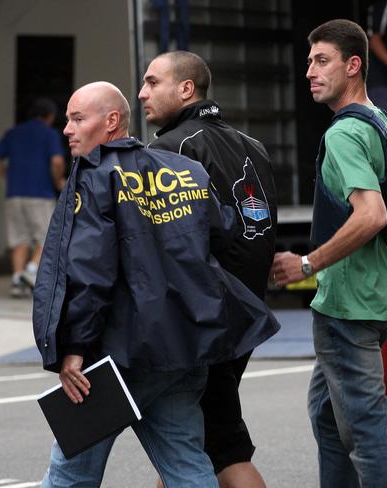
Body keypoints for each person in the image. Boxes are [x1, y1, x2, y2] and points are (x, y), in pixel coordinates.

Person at [32, 82, 280, 488]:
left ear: (111, 121)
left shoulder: (95, 177)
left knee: (71, 468)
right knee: (185, 462)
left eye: (78, 119)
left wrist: (74, 347)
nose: (67, 130)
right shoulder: (185, 170)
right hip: (185, 347)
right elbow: (226, 232)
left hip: (122, 350)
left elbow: (89, 271)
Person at [271, 19, 387, 487]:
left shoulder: (343, 134)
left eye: (322, 61)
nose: (309, 72)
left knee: (366, 433)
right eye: (309, 62)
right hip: (379, 302)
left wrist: (307, 263)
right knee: (327, 418)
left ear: (353, 65)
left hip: (348, 309)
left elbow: (372, 215)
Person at [139, 50, 277, 488]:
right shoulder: (252, 146)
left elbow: (165, 247)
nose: (142, 93)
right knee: (190, 444)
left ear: (186, 89)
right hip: (245, 316)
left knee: (221, 446)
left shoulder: (169, 148)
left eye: (152, 82)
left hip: (203, 324)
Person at [0, 98, 66, 297]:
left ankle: (16, 280)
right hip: (40, 193)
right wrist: (58, 181)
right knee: (46, 236)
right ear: (50, 117)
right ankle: (31, 271)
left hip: (14, 194)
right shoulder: (49, 134)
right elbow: (57, 161)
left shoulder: (14, 132)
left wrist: (5, 173)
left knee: (18, 238)